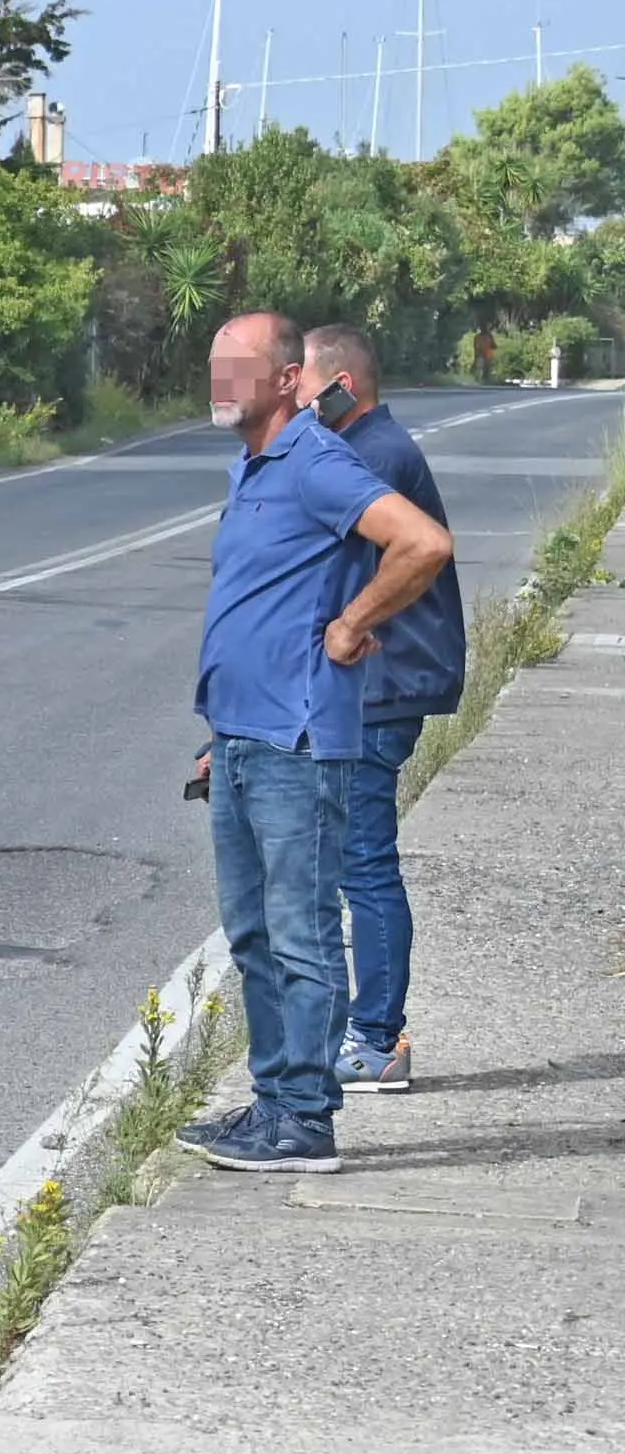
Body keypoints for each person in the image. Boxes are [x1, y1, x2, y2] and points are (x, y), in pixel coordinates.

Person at [182, 311, 455, 1174]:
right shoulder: (254, 466)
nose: (220, 380)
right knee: (256, 935)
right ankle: (275, 1106)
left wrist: (351, 626)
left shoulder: (319, 462)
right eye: (215, 364)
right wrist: (215, 737)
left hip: (298, 740)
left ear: (290, 377)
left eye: (239, 366)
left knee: (299, 932)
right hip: (242, 736)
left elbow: (423, 544)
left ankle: (304, 1118)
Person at [297, 325, 463, 1095]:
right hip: (383, 681)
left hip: (385, 684)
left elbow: (348, 582)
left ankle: (377, 1040)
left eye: (304, 385)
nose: (297, 400)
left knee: (364, 861)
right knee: (354, 858)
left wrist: (346, 630)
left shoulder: (371, 455)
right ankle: (366, 1032)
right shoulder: (370, 447)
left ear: (343, 387)